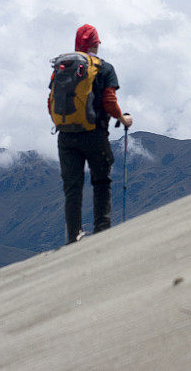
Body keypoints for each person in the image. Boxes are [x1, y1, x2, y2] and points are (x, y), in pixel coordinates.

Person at [48, 24, 133, 244]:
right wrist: (122, 119)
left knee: (72, 187)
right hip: (94, 134)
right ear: (95, 43)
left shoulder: (62, 67)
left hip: (66, 136)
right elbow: (109, 101)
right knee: (101, 182)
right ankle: (102, 233)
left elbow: (50, 102)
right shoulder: (104, 68)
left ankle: (73, 237)